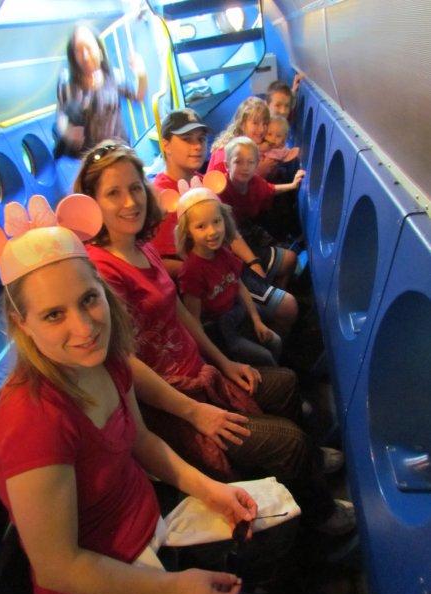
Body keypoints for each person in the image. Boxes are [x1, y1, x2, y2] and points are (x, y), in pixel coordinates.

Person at [0, 195, 259, 594]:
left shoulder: (108, 360)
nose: (84, 329)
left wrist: (210, 490)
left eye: (88, 299)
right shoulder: (30, 420)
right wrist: (173, 588)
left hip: (154, 534)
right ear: (22, 323)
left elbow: (142, 441)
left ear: (103, 291)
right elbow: (58, 567)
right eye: (54, 315)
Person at [74, 141, 354, 534]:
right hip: (170, 400)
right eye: (113, 193)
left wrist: (224, 363)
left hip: (199, 373)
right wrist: (194, 412)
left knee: (285, 383)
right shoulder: (101, 270)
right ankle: (317, 515)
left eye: (135, 188)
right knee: (288, 440)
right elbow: (122, 359)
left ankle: (301, 471)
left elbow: (179, 313)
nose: (130, 202)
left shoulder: (142, 248)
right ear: (92, 203)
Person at [154, 109, 296, 332]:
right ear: (166, 145)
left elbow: (230, 230)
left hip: (227, 260)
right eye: (187, 139)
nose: (197, 146)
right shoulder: (162, 197)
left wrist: (252, 262)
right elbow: (160, 263)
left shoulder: (201, 180)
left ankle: (261, 324)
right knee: (288, 307)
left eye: (201, 139)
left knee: (289, 260)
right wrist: (212, 267)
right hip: (212, 279)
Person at [175, 184, 282, 367]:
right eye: (201, 226)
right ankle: (274, 373)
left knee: (276, 341)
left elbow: (239, 286)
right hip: (221, 328)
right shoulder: (191, 271)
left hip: (237, 311)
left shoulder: (223, 253)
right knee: (265, 356)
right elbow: (195, 320)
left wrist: (256, 320)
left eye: (216, 221)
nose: (212, 231)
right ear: (188, 233)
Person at [220, 136, 305, 299]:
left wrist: (292, 185)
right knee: (289, 258)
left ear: (256, 164)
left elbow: (271, 189)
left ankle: (277, 292)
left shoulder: (254, 182)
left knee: (290, 255)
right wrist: (252, 261)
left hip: (246, 229)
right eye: (238, 162)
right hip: (229, 240)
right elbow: (228, 233)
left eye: (250, 162)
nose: (245, 167)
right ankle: (271, 296)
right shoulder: (221, 189)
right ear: (227, 165)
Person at [55, 24, 147, 157]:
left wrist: (141, 74)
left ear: (99, 50)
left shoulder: (113, 76)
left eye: (88, 48)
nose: (85, 56)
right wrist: (68, 132)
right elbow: (61, 116)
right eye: (78, 51)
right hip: (92, 159)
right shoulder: (67, 84)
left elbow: (138, 97)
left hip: (121, 153)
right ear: (73, 56)